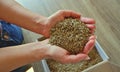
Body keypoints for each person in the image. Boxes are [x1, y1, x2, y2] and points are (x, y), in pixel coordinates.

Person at [0, 0, 96, 72]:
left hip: (4, 28)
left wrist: (42, 24)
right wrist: (41, 50)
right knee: (20, 68)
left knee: (18, 36)